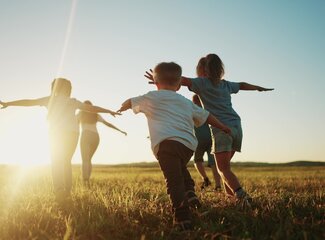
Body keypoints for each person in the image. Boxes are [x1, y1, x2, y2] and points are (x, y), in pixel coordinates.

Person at [120, 62, 231, 231]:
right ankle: (190, 194)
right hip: (187, 146)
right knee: (179, 169)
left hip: (166, 145)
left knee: (173, 180)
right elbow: (206, 116)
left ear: (155, 82)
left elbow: (131, 101)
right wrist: (223, 126)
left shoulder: (151, 97)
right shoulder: (185, 101)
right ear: (179, 85)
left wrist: (122, 108)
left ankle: (182, 216)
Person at [0, 78, 120, 203]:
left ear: (55, 88)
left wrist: (8, 103)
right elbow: (92, 108)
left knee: (56, 161)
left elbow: (29, 102)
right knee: (66, 161)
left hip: (57, 133)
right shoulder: (72, 101)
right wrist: (108, 111)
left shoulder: (49, 99)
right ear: (68, 89)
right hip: (73, 134)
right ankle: (67, 191)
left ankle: (59, 191)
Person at [78, 100, 127, 183]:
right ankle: (87, 180)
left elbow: (72, 122)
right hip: (95, 137)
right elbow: (108, 124)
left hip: (86, 135)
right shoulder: (96, 115)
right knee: (89, 159)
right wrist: (120, 130)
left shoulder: (80, 114)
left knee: (85, 160)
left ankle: (85, 180)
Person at [192, 94, 222, 191]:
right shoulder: (209, 109)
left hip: (199, 140)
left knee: (197, 160)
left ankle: (205, 179)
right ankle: (217, 185)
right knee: (213, 163)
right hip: (211, 139)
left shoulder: (192, 110)